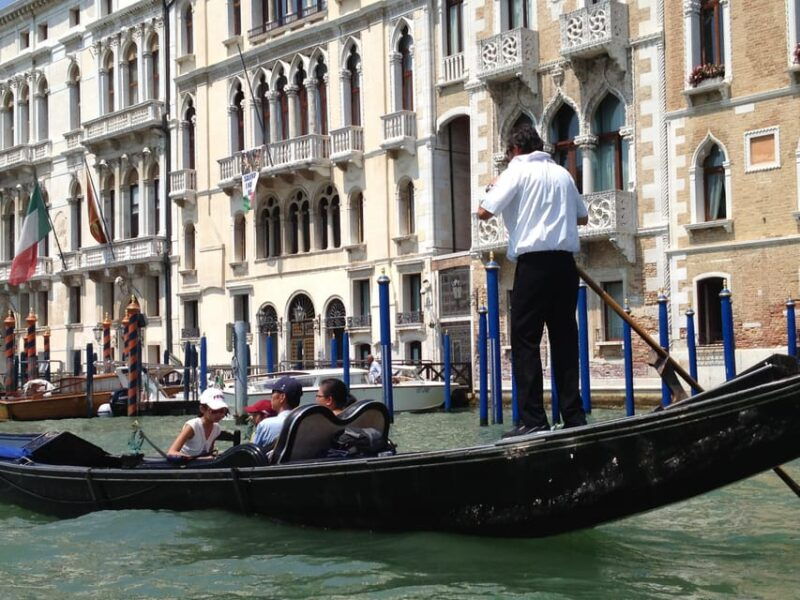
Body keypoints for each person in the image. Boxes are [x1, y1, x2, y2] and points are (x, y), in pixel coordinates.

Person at [478, 122, 589, 437]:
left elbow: (483, 212)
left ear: (514, 149)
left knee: (525, 341)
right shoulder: (563, 174)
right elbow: (583, 217)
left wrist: (494, 186)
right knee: (564, 340)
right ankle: (573, 417)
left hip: (533, 267)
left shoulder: (516, 171)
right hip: (565, 266)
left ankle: (533, 420)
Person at [167, 388, 230, 459]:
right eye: (214, 411)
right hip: (185, 464)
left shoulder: (217, 428)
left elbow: (209, 452)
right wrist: (198, 459)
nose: (219, 414)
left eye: (222, 411)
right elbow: (172, 452)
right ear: (202, 409)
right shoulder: (192, 426)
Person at [252, 376, 303, 450]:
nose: (271, 396)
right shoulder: (305, 423)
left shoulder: (265, 425)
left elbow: (252, 453)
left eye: (273, 392)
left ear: (282, 397)